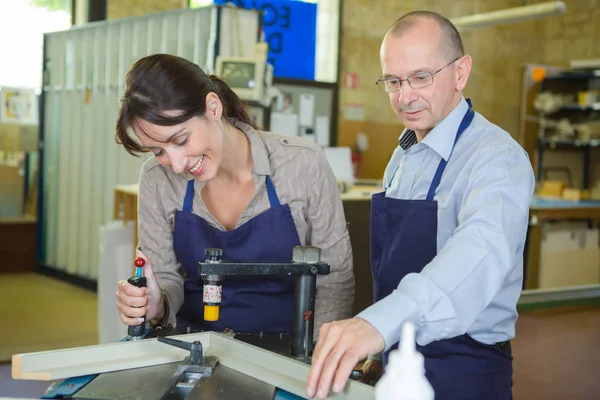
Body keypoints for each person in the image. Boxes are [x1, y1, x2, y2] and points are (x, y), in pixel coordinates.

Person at [306, 10, 535, 400]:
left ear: (460, 73)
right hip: (398, 357)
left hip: (465, 367)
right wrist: (383, 347)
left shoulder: (497, 159)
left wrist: (378, 325)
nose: (404, 96)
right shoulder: (404, 154)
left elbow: (476, 254)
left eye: (420, 77)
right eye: (393, 81)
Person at [113, 54, 355, 340]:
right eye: (159, 151)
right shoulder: (157, 178)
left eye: (180, 140)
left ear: (213, 107)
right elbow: (166, 277)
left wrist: (315, 357)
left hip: (289, 346)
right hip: (192, 343)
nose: (177, 165)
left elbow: (335, 278)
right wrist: (156, 303)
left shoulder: (302, 164)